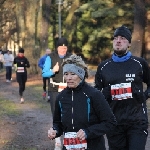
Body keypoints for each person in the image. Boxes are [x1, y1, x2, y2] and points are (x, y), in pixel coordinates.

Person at [95, 25, 150, 150]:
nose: (118, 41)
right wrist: (105, 93)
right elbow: (96, 93)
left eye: (123, 38)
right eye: (115, 38)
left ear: (129, 43)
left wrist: (145, 95)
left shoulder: (139, 63)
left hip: (136, 120)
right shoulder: (104, 67)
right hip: (114, 122)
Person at [48, 54, 117, 150]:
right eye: (66, 74)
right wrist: (55, 130)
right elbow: (58, 123)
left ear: (81, 75)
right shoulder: (61, 97)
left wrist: (88, 132)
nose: (68, 78)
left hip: (93, 146)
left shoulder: (94, 94)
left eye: (73, 74)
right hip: (69, 146)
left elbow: (110, 122)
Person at [48, 37, 71, 150]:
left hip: (67, 89)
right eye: (61, 48)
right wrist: (53, 70)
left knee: (67, 113)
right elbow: (44, 73)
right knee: (56, 113)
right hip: (54, 89)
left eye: (65, 48)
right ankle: (57, 140)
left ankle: (68, 137)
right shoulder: (50, 57)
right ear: (57, 48)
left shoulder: (71, 57)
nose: (63, 50)